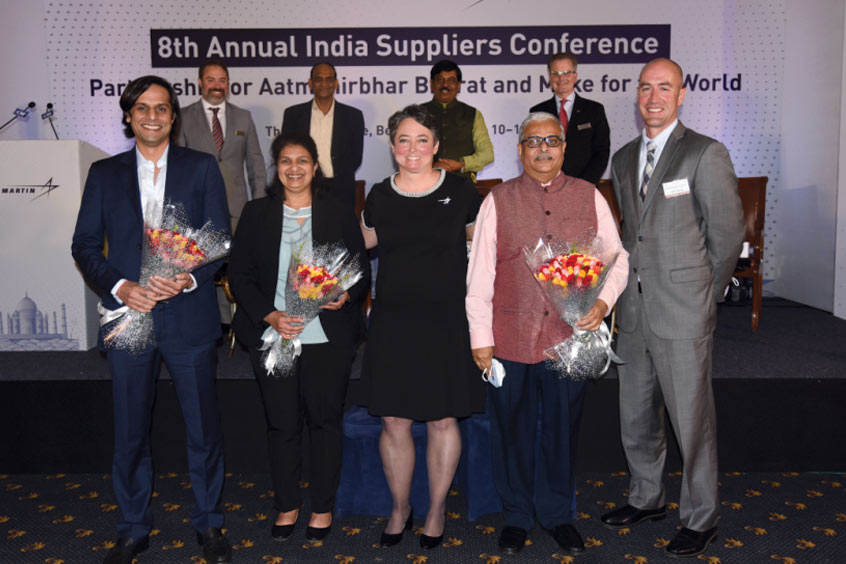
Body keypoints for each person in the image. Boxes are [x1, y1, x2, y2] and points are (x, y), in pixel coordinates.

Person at [71, 75, 232, 564]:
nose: (152, 116)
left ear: (173, 116)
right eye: (142, 108)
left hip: (188, 316)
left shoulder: (202, 168)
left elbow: (218, 239)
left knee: (203, 429)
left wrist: (185, 279)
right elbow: (83, 246)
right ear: (128, 116)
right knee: (130, 431)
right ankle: (133, 528)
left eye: (162, 108)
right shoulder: (104, 173)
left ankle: (209, 525)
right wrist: (122, 287)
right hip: (129, 317)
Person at [600, 58, 744, 558]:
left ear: (682, 95)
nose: (653, 97)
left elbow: (727, 236)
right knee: (636, 416)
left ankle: (701, 517)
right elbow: (628, 236)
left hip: (683, 310)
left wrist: (704, 293)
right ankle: (647, 497)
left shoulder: (705, 153)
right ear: (636, 96)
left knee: (692, 420)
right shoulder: (621, 159)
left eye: (665, 88)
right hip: (633, 313)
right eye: (645, 88)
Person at [466, 112, 628, 555]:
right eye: (533, 142)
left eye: (552, 141)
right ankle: (516, 516)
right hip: (509, 337)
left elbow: (618, 260)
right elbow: (479, 273)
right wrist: (481, 336)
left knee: (561, 431)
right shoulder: (496, 200)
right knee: (511, 431)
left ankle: (558, 515)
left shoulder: (589, 195)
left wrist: (601, 303)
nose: (543, 149)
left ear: (563, 148)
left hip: (567, 340)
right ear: (520, 150)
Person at [228, 131, 370, 543]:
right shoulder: (256, 214)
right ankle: (287, 504)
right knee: (282, 424)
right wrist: (270, 315)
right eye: (286, 161)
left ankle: (322, 507)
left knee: (325, 423)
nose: (294, 168)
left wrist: (345, 294)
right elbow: (240, 276)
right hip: (275, 336)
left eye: (302, 161)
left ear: (314, 166)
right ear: (277, 167)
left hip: (327, 337)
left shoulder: (338, 211)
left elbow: (359, 267)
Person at [360, 104, 484, 550]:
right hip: (393, 321)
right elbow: (357, 247)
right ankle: (399, 508)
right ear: (392, 146)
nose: (412, 149)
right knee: (393, 419)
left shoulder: (463, 191)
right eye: (403, 140)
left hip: (447, 321)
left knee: (442, 417)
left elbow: (486, 252)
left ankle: (435, 509)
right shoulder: (379, 195)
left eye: (422, 140)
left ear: (436, 146)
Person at [177, 59, 267, 231]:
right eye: (211, 80)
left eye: (222, 80)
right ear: (200, 82)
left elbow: (256, 165)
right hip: (198, 209)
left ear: (228, 83)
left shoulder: (244, 117)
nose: (217, 85)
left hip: (238, 211)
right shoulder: (183, 117)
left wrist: (259, 205)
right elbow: (180, 168)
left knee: (240, 258)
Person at [282, 62, 365, 212]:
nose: (324, 84)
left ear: (336, 83)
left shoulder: (353, 116)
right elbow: (286, 153)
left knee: (341, 233)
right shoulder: (293, 115)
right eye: (319, 79)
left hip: (341, 189)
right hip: (304, 186)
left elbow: (356, 156)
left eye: (329, 79)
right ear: (310, 83)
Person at [530, 53, 610, 185]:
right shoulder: (537, 112)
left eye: (566, 72)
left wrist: (582, 185)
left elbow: (601, 153)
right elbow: (533, 153)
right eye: (556, 73)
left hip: (584, 189)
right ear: (549, 78)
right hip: (546, 188)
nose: (561, 78)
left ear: (575, 76)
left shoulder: (594, 110)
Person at [422, 59, 494, 182]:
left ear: (459, 86)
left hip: (462, 184)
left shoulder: (473, 114)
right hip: (423, 184)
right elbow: (405, 152)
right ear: (431, 84)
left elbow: (487, 154)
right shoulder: (416, 114)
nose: (445, 85)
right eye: (440, 80)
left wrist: (461, 164)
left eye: (451, 80)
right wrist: (430, 166)